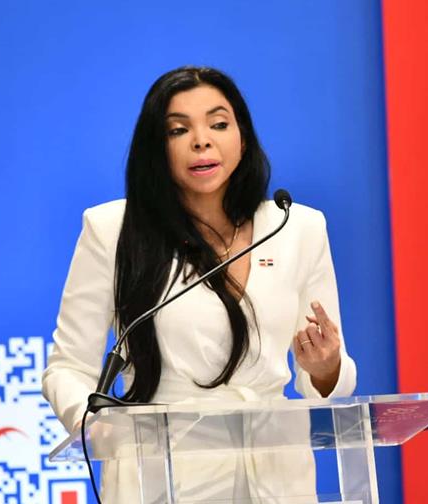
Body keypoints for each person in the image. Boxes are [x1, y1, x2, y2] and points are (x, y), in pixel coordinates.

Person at [42, 66, 357, 502]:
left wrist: (326, 367)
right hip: (160, 474)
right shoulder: (114, 230)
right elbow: (67, 368)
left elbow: (326, 379)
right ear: (157, 148)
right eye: (178, 130)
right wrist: (98, 428)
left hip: (277, 479)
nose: (201, 141)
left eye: (219, 124)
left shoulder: (296, 226)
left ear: (242, 138)